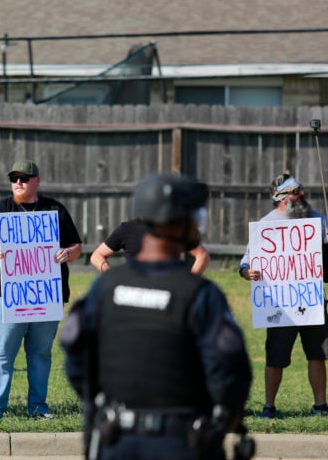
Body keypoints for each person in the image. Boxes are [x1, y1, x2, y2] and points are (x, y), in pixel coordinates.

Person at [61, 173, 252, 460]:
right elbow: (230, 373)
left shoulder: (105, 288)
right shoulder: (200, 294)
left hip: (116, 440)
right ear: (177, 223)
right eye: (194, 217)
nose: (199, 225)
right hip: (182, 443)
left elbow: (76, 359)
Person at [0, 160, 82, 423]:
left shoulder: (54, 210)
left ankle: (38, 406)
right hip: (5, 294)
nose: (19, 183)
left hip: (45, 295)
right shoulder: (0, 209)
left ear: (37, 180)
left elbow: (77, 246)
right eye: (14, 178)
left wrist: (66, 253)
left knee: (40, 354)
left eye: (25, 178)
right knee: (1, 353)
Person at [239, 172, 328, 419]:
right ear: (280, 197)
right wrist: (247, 272)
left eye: (301, 189)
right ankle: (269, 407)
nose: (301, 194)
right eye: (295, 191)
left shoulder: (316, 219)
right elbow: (246, 261)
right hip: (279, 305)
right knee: (275, 357)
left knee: (318, 354)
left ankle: (320, 406)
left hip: (311, 300)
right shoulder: (265, 225)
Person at [90, 218, 211, 274]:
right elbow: (97, 255)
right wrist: (110, 274)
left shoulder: (173, 229)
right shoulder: (127, 229)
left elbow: (202, 255)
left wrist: (189, 282)